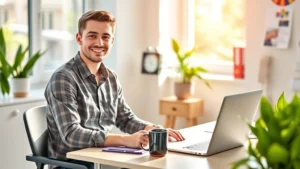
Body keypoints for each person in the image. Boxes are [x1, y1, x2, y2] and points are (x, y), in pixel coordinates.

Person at [44, 10, 185, 169]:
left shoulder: (111, 78)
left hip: (104, 159)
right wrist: (125, 140)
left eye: (105, 37)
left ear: (112, 40)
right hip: (71, 165)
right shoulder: (63, 78)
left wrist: (154, 130)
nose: (99, 43)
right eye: (92, 36)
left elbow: (125, 119)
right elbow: (71, 134)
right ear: (79, 38)